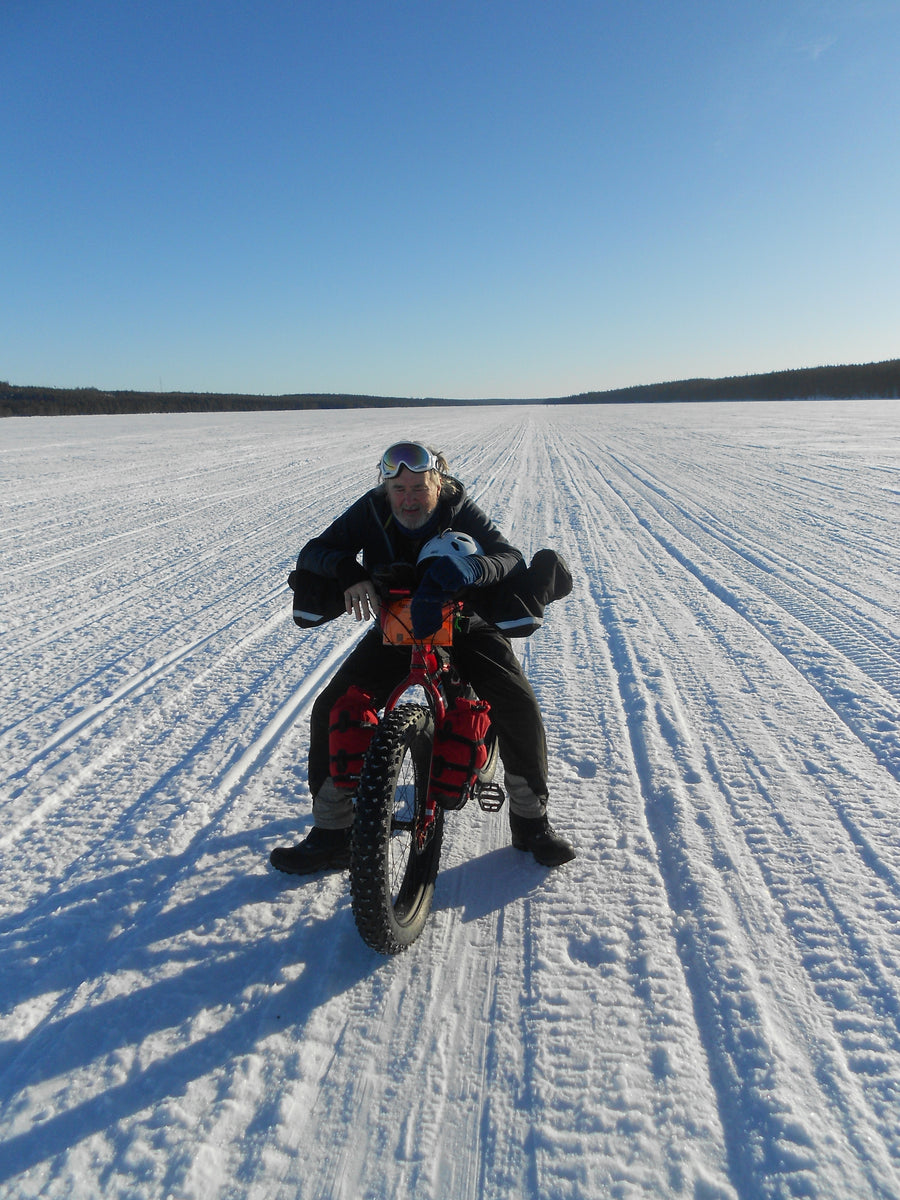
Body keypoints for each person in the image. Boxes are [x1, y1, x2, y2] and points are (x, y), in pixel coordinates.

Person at [269, 440, 575, 874]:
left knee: (517, 704)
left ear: (439, 483)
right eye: (399, 489)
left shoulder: (458, 508)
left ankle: (531, 823)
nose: (409, 499)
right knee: (333, 707)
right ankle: (332, 834)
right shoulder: (373, 508)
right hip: (399, 627)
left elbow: (508, 557)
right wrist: (348, 571)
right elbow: (315, 551)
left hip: (465, 624)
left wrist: (468, 570)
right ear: (386, 488)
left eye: (419, 487)